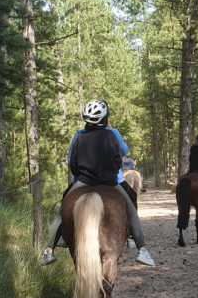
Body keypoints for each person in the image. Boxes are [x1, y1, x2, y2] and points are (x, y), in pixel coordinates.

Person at [41, 100, 155, 267]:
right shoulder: (111, 135)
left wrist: (82, 174)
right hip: (109, 182)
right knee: (130, 208)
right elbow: (118, 161)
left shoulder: (79, 136)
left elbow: (72, 163)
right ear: (104, 118)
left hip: (83, 182)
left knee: (62, 209)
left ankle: (49, 251)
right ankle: (142, 250)